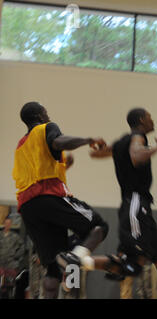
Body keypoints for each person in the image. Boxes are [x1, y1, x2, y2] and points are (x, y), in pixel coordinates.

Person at [12, 102, 114, 299]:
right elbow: (58, 142)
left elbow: (39, 171)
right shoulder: (46, 128)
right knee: (99, 226)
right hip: (49, 198)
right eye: (45, 111)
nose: (48, 113)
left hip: (27, 208)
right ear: (40, 115)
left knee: (53, 267)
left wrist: (64, 164)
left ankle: (70, 263)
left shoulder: (21, 146)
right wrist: (87, 139)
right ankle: (75, 259)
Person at [89, 107, 157, 299]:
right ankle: (77, 261)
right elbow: (138, 157)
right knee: (131, 264)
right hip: (136, 204)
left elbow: (97, 154)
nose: (152, 120)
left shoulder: (123, 140)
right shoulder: (138, 138)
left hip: (136, 205)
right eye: (149, 116)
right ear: (141, 120)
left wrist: (99, 149)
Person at [0, 217, 25, 299]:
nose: (7, 225)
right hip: (0, 264)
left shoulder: (15, 236)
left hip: (11, 264)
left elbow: (22, 247)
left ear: (11, 225)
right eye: (6, 223)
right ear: (4, 224)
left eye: (9, 223)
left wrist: (16, 256)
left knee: (10, 286)